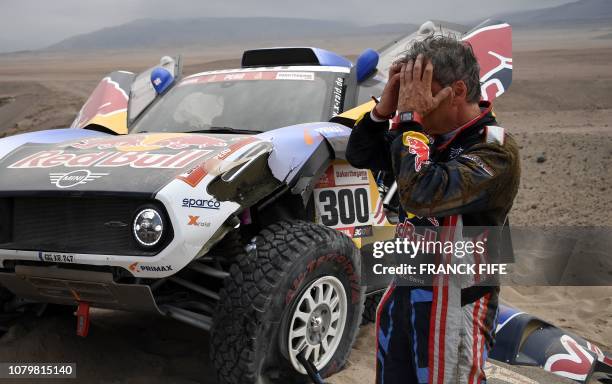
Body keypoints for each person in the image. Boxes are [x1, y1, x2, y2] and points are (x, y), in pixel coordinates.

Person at [346, 36, 520, 384]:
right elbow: (360, 155)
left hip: (458, 304)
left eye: (422, 89)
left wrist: (411, 120)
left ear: (457, 91)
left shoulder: (495, 151)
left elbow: (422, 194)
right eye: (409, 89)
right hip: (407, 287)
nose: (413, 99)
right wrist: (385, 110)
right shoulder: (429, 135)